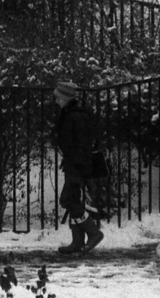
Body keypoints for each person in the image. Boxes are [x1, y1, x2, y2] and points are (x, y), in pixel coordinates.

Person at [51, 79, 107, 255]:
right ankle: (77, 241)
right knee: (73, 199)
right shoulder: (70, 113)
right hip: (73, 162)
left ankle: (94, 233)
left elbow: (82, 144)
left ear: (66, 98)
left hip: (77, 164)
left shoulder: (77, 116)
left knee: (67, 200)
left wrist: (77, 164)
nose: (56, 101)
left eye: (58, 97)